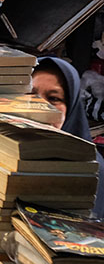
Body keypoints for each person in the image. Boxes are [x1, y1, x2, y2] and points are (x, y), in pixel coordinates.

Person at [31, 56, 104, 218]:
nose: (40, 107)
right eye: (30, 95)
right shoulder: (1, 152)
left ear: (71, 108)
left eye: (53, 99)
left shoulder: (91, 170)